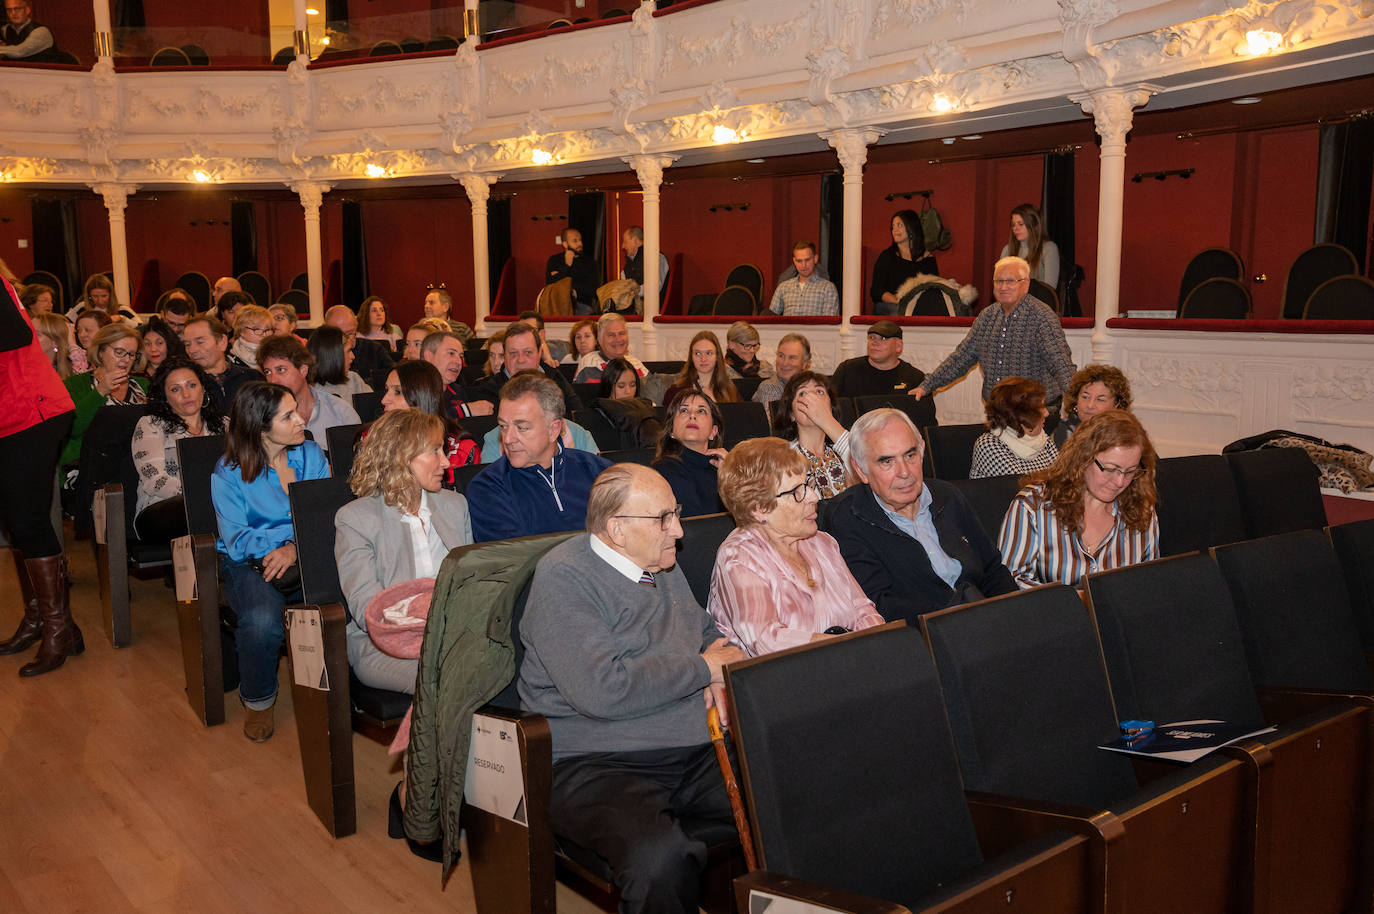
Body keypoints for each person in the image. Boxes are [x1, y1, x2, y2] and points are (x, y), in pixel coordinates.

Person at [517, 462, 746, 914]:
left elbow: (705, 632)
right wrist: (703, 669)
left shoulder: (660, 564)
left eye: (675, 513)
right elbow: (604, 690)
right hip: (596, 762)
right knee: (658, 862)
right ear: (616, 529)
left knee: (790, 791)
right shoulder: (563, 578)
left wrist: (721, 663)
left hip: (692, 745)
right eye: (663, 518)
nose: (677, 530)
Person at [212, 381, 330, 741]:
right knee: (262, 623)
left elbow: (325, 514)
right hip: (249, 561)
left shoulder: (311, 454)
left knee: (353, 601)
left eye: (297, 411)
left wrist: (294, 547)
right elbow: (237, 539)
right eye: (288, 416)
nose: (302, 419)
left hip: (307, 552)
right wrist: (285, 542)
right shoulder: (229, 472)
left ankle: (342, 691)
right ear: (260, 427)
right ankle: (259, 701)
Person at [819, 408, 1016, 622]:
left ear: (922, 451)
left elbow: (993, 569)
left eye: (910, 455)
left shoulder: (948, 496)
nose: (905, 472)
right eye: (887, 462)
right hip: (923, 634)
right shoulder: (847, 517)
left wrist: (1015, 614)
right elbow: (879, 605)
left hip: (988, 618)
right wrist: (959, 620)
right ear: (861, 470)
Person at [336, 408, 473, 693]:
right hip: (385, 647)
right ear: (402, 458)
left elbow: (471, 582)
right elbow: (367, 609)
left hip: (453, 636)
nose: (446, 462)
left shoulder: (454, 505)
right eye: (435, 451)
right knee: (451, 681)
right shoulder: (356, 519)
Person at [709, 437, 883, 658]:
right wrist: (846, 649)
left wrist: (877, 648)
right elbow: (766, 640)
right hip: (787, 675)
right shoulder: (739, 557)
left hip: (850, 663)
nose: (814, 497)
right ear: (759, 508)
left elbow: (863, 609)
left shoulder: (822, 543)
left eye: (808, 484)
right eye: (797, 492)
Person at [0, 276, 77, 678]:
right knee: (15, 521)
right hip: (9, 415)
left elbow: (15, 334)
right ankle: (41, 620)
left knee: (28, 520)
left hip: (33, 409)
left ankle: (56, 629)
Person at [999, 409, 1159, 589]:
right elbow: (1011, 581)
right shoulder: (1033, 506)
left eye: (1130, 471)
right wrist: (1073, 600)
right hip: (1053, 608)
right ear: (1083, 458)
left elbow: (1149, 583)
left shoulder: (1142, 511)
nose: (1120, 482)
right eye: (1110, 469)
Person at [913, 256, 1075, 422]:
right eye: (998, 281)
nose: (1003, 287)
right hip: (998, 413)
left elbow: (1060, 364)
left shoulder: (1042, 317)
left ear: (1025, 284)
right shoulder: (987, 316)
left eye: (1010, 281)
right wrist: (927, 386)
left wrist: (1079, 403)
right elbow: (961, 357)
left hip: (1035, 416)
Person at [465, 372, 612, 542]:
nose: (508, 439)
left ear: (553, 430)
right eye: (503, 426)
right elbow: (517, 556)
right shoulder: (487, 488)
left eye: (522, 428)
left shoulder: (600, 473)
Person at [131, 357, 227, 542]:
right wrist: (202, 494)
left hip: (219, 504)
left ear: (203, 388)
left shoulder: (224, 425)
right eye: (175, 389)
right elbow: (154, 481)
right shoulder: (151, 425)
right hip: (161, 509)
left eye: (192, 385)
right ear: (165, 397)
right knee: (205, 507)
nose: (186, 394)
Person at [59, 322, 149, 468]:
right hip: (86, 467)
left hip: (136, 466)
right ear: (101, 351)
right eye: (119, 352)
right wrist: (101, 391)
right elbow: (72, 429)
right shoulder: (75, 384)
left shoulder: (144, 386)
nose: (126, 359)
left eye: (131, 354)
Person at [378, 360, 481, 482]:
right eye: (386, 390)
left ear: (421, 398)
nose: (384, 400)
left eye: (398, 392)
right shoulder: (372, 438)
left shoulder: (460, 452)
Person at [257, 333, 360, 453]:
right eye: (268, 372)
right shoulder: (262, 417)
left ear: (303, 370)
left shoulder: (340, 411)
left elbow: (360, 459)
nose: (273, 380)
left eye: (281, 370)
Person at [472, 321, 582, 416]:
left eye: (528, 352)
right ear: (505, 355)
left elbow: (577, 416)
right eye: (513, 353)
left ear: (539, 353)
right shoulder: (488, 393)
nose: (521, 360)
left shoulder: (556, 378)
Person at [771, 371, 852, 499]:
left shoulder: (843, 451)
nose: (812, 400)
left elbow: (867, 463)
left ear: (830, 408)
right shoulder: (784, 457)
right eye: (802, 393)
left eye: (819, 392)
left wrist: (826, 420)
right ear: (791, 414)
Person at [652, 389, 726, 518]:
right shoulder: (666, 469)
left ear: (713, 432)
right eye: (684, 410)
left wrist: (733, 474)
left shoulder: (724, 468)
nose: (692, 415)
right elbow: (696, 525)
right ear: (671, 431)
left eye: (701, 411)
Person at [969, 377, 1058, 479]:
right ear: (1023, 415)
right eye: (1041, 407)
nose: (1046, 413)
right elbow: (1020, 484)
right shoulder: (989, 445)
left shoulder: (1042, 439)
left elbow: (1062, 477)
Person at [829, 320, 926, 398]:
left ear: (898, 346)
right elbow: (828, 405)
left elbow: (924, 415)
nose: (874, 342)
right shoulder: (847, 370)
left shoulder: (915, 378)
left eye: (883, 338)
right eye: (871, 337)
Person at [870, 209, 941, 315]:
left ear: (912, 228)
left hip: (918, 310)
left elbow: (934, 291)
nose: (895, 230)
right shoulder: (887, 256)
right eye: (893, 226)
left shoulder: (928, 260)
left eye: (899, 225)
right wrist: (899, 302)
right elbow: (876, 290)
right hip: (891, 308)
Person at [183, 315, 261, 410]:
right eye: (187, 345)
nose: (192, 350)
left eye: (200, 342)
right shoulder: (184, 385)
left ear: (222, 342)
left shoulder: (251, 378)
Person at [421, 330, 494, 419]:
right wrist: (464, 410)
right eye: (451, 353)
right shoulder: (411, 388)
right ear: (428, 356)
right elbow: (422, 421)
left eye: (461, 356)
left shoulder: (457, 391)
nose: (459, 362)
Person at [665, 331, 740, 404]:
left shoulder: (730, 390)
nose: (703, 359)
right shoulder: (675, 392)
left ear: (717, 356)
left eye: (709, 353)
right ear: (691, 357)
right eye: (697, 353)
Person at [768, 241, 838, 317]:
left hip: (815, 325)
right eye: (799, 261)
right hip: (788, 325)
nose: (803, 265)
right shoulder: (783, 287)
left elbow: (830, 322)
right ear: (794, 261)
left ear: (815, 259)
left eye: (807, 260)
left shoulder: (828, 288)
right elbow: (770, 318)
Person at [325, 303, 394, 380]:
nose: (346, 339)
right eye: (340, 335)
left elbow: (394, 374)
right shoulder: (322, 355)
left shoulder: (374, 349)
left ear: (356, 327)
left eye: (350, 333)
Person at [573, 313, 647, 382]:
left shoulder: (636, 363)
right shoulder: (590, 363)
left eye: (621, 333)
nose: (618, 339)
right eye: (611, 335)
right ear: (600, 340)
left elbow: (651, 388)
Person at [1000, 204, 1060, 288]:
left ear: (1033, 225)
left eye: (1020, 224)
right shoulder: (1007, 250)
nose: (1015, 229)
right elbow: (1000, 283)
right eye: (1013, 225)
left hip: (1037, 296)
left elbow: (1049, 288)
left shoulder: (1049, 249)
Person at [545, 228, 601, 315]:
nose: (580, 244)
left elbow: (593, 290)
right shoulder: (555, 260)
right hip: (558, 305)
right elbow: (551, 284)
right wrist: (567, 266)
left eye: (580, 240)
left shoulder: (590, 262)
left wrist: (570, 287)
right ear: (565, 244)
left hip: (582, 304)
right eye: (575, 241)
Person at [1064, 364, 1132, 435]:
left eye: (1100, 399)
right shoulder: (1064, 431)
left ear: (1116, 404)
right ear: (1076, 398)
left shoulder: (1125, 435)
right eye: (1085, 397)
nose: (1090, 405)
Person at [308, 324, 372, 401]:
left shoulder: (353, 379)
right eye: (348, 351)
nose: (353, 356)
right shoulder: (310, 391)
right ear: (333, 356)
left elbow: (374, 404)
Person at [752, 332, 811, 406]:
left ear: (805, 363)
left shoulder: (812, 387)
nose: (785, 363)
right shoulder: (770, 388)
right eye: (781, 356)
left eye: (792, 358)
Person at [619, 225, 669, 309]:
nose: (623, 246)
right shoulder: (627, 267)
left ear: (635, 240)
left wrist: (631, 292)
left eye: (625, 242)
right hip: (634, 311)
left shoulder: (656, 258)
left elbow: (654, 287)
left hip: (654, 311)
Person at [67, 273, 136, 322]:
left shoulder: (122, 310)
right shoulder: (82, 307)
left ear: (111, 295)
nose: (100, 300)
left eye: (104, 296)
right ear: (89, 296)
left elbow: (140, 327)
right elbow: (65, 322)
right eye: (95, 296)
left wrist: (122, 319)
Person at [229, 305, 274, 370]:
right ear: (241, 331)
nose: (264, 334)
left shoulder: (278, 355)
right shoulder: (230, 361)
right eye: (257, 328)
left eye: (268, 329)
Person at [32, 311, 72, 379]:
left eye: (37, 334)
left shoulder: (72, 371)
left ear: (55, 342)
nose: (30, 338)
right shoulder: (21, 367)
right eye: (30, 332)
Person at [69, 309, 110, 374]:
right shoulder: (85, 356)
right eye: (79, 330)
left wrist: (72, 345)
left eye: (88, 330)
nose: (82, 335)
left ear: (104, 331)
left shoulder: (111, 358)